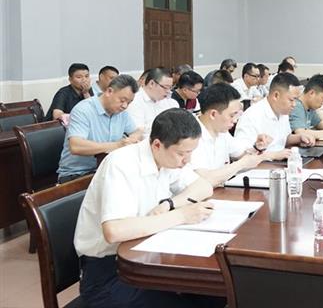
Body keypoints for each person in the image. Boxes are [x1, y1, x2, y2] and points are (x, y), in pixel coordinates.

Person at [74, 109, 222, 308]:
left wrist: (169, 204)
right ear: (157, 145)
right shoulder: (121, 164)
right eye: (181, 153)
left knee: (216, 294)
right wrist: (181, 215)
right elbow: (114, 231)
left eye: (190, 153)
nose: (187, 160)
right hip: (110, 273)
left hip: (147, 258)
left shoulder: (166, 158)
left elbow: (203, 186)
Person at [191, 84, 288, 187]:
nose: (235, 120)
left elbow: (241, 154)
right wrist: (241, 164)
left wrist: (257, 147)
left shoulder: (221, 131)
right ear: (213, 114)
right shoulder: (191, 135)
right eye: (232, 115)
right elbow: (204, 179)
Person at [57, 75, 144, 183]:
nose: (125, 106)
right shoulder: (83, 110)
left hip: (106, 170)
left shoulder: (121, 113)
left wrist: (133, 138)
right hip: (77, 174)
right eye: (122, 100)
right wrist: (118, 145)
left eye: (129, 102)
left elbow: (137, 131)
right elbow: (76, 146)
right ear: (109, 91)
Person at [234, 72, 315, 152]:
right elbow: (241, 153)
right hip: (265, 160)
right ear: (276, 95)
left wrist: (299, 138)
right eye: (291, 100)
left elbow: (282, 140)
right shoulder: (252, 116)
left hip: (280, 158)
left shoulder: (283, 112)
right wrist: (275, 155)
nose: (294, 104)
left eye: (296, 100)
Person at [126, 68, 179, 136]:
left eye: (170, 88)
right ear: (151, 83)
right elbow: (137, 132)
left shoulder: (171, 102)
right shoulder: (134, 101)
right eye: (165, 87)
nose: (168, 91)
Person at [289, 75, 323, 139]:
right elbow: (301, 133)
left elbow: (319, 123)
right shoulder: (296, 106)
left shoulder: (310, 107)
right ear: (312, 93)